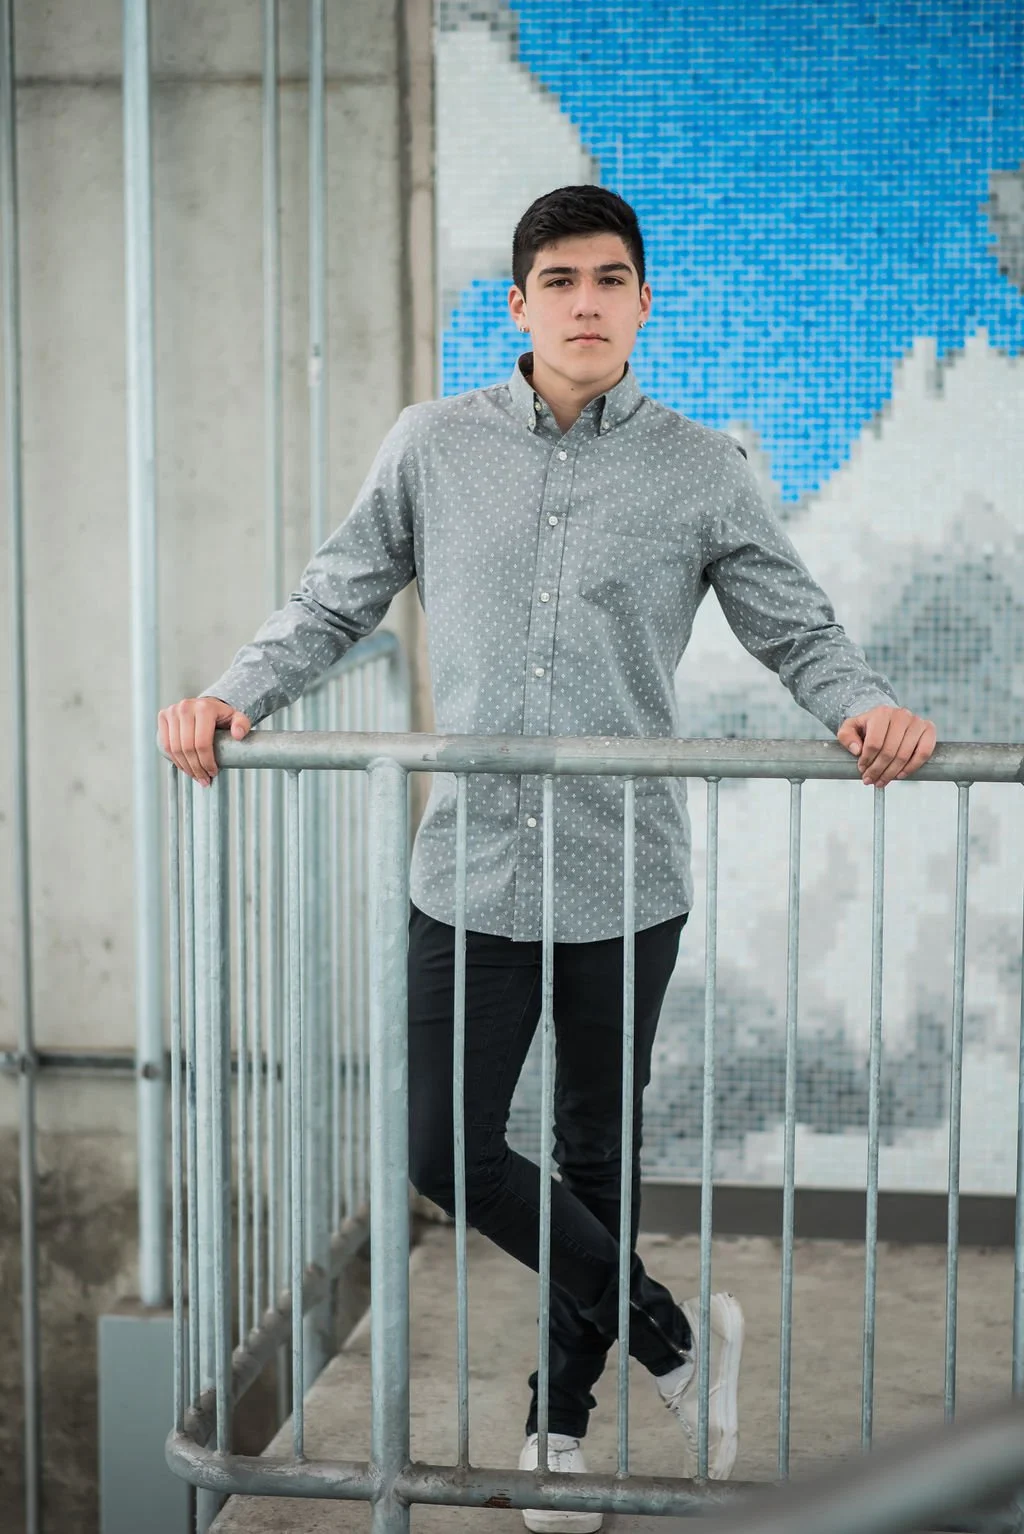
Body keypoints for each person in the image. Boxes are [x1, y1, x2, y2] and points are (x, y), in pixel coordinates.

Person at [158, 185, 936, 1526]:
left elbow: (796, 629)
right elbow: (338, 588)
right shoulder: (433, 446)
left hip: (626, 874)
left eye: (611, 279)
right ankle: (674, 1333)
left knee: (593, 1154)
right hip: (466, 869)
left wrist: (858, 703)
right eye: (560, 279)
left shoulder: (702, 469)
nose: (586, 301)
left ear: (642, 304)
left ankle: (560, 1432)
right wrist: (242, 690)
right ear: (517, 304)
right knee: (443, 1145)